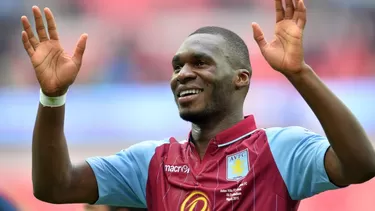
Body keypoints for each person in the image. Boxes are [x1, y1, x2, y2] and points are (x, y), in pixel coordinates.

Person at [20, 0, 375, 210]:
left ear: (241, 77)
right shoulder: (149, 162)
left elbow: (361, 165)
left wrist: (299, 74)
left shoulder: (281, 150)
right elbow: (55, 187)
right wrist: (53, 97)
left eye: (200, 63)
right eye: (177, 66)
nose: (182, 75)